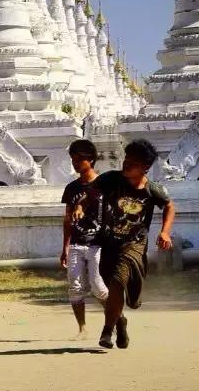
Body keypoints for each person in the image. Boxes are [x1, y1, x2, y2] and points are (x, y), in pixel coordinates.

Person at [91, 139, 175, 350]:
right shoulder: (111, 179)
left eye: (133, 162)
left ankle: (107, 331)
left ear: (145, 167)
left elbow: (169, 206)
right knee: (113, 288)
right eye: (126, 159)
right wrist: (82, 207)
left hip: (134, 245)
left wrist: (165, 232)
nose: (127, 164)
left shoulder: (152, 190)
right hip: (109, 243)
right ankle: (120, 322)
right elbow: (90, 191)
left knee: (119, 281)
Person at [60, 139, 109, 339]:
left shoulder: (104, 185)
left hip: (98, 244)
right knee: (75, 287)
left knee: (98, 287)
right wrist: (65, 247)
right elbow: (67, 220)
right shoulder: (71, 188)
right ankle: (82, 328)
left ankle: (114, 319)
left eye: (79, 159)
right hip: (77, 243)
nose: (75, 163)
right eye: (73, 159)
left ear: (91, 159)